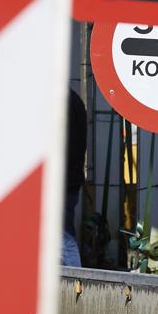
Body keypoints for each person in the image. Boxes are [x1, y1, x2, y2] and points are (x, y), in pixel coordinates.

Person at [65, 89, 88, 266]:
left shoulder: (63, 101)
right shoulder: (75, 100)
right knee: (64, 236)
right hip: (71, 178)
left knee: (63, 238)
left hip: (63, 180)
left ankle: (74, 283)